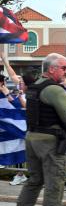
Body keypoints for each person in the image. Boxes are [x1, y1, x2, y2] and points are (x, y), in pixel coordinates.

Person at [8, 53, 66, 206]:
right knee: (54, 183)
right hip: (50, 141)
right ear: (52, 68)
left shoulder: (34, 87)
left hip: (32, 138)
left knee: (34, 181)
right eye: (64, 68)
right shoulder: (55, 90)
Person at [1, 52, 29, 186]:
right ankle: (20, 174)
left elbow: (25, 106)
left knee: (30, 151)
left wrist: (7, 94)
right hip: (19, 124)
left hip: (28, 125)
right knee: (19, 147)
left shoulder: (32, 92)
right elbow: (12, 74)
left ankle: (36, 176)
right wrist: (5, 59)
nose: (19, 83)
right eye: (20, 81)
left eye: (22, 82)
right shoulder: (21, 90)